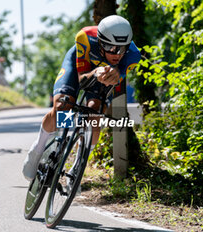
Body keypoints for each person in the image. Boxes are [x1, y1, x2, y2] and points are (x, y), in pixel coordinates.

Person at [22, 15, 141, 181]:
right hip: (81, 68)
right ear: (100, 42)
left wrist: (116, 73)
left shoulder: (133, 56)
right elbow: (82, 81)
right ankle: (38, 149)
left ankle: (78, 166)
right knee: (63, 107)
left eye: (121, 49)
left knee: (95, 113)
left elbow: (113, 82)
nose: (116, 54)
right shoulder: (85, 37)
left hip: (103, 76)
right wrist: (94, 73)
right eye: (110, 47)